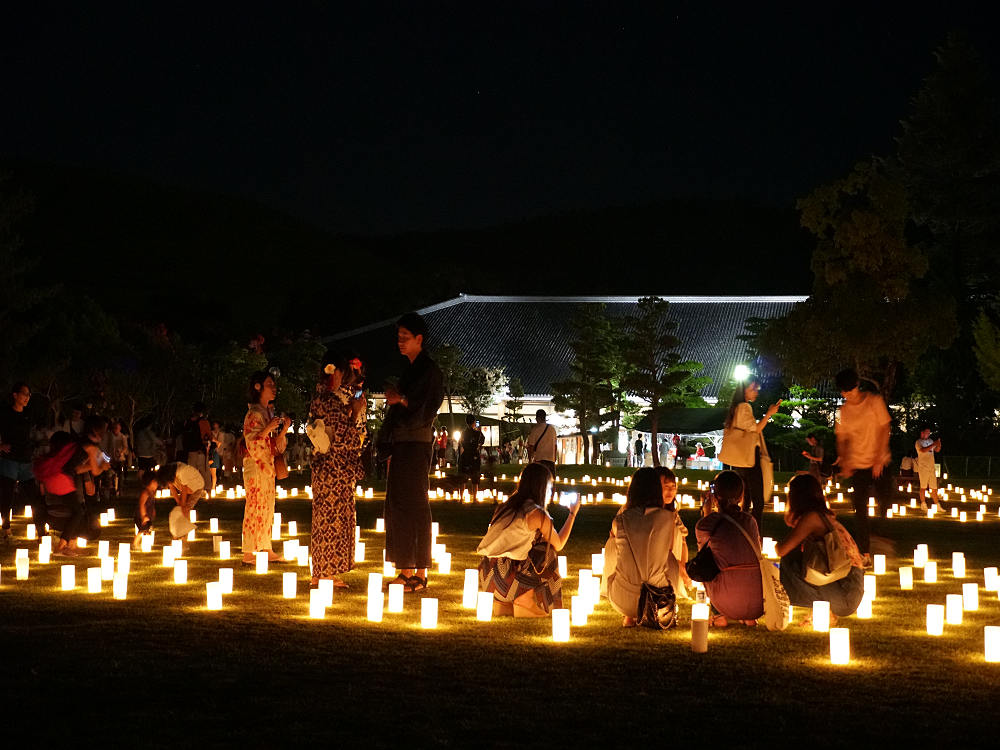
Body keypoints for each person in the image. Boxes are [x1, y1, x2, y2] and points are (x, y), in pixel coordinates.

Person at [383, 312, 444, 593]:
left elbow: (425, 407)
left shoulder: (429, 370)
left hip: (415, 444)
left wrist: (402, 400)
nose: (400, 342)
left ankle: (415, 571)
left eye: (405, 337)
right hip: (404, 443)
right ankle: (409, 568)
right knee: (402, 504)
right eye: (398, 337)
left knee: (413, 503)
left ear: (419, 339)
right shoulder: (411, 370)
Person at [477, 463, 581, 617]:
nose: (551, 492)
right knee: (547, 551)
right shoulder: (536, 513)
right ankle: (525, 601)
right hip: (507, 579)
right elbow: (558, 544)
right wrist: (572, 514)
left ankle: (503, 605)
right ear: (542, 487)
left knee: (536, 544)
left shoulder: (505, 507)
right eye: (550, 487)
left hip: (487, 577)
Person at [309, 355, 366, 589]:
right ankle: (325, 573)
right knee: (330, 521)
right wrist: (355, 412)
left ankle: (322, 572)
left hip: (326, 468)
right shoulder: (330, 401)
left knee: (325, 520)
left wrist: (350, 410)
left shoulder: (320, 399)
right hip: (334, 469)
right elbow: (344, 437)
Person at [776, 475, 864, 624]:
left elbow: (782, 550)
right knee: (802, 558)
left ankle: (822, 608)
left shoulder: (812, 518)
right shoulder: (823, 516)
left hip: (845, 593)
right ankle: (821, 610)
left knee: (789, 559)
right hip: (850, 588)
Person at [602, 467, 685, 626]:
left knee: (612, 544)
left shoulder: (619, 520)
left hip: (622, 599)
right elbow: (667, 553)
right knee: (668, 556)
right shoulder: (668, 519)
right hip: (657, 600)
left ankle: (628, 616)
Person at [833, 368, 890, 567]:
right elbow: (841, 438)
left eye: (848, 390)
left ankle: (880, 534)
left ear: (856, 386)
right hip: (858, 464)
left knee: (886, 499)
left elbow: (885, 428)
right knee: (860, 509)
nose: (845, 395)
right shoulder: (842, 411)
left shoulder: (874, 401)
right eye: (842, 391)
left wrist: (879, 458)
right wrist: (844, 460)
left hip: (879, 462)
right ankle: (864, 552)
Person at [694, 471, 763, 627]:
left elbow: (703, 557)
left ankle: (719, 615)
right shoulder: (750, 521)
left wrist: (707, 512)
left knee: (707, 565)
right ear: (741, 496)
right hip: (757, 602)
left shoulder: (705, 525)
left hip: (725, 600)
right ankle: (748, 617)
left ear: (715, 496)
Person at [241, 371, 288, 564]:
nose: (274, 388)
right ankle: (248, 552)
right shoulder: (253, 413)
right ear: (258, 387)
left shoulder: (267, 412)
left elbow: (274, 444)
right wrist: (268, 428)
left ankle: (266, 547)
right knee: (254, 506)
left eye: (274, 384)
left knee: (267, 507)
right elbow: (252, 441)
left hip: (267, 465)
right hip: (256, 465)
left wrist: (283, 430)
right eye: (270, 384)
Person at [722, 379, 781, 529]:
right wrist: (769, 414)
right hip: (750, 457)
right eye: (753, 388)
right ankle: (754, 533)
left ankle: (743, 530)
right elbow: (755, 429)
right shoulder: (744, 407)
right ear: (744, 390)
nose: (756, 392)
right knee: (757, 500)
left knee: (746, 498)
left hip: (742, 458)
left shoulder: (737, 407)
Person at [33, 431, 85, 555]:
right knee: (79, 511)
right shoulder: (67, 455)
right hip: (62, 485)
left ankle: (57, 541)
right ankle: (63, 544)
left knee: (74, 510)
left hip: (52, 489)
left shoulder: (51, 457)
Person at [0, 382, 35, 542]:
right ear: (15, 395)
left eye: (29, 394)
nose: (27, 397)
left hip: (26, 460)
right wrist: (1, 446)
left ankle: (42, 532)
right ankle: (6, 530)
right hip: (10, 460)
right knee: (7, 496)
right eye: (24, 394)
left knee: (34, 496)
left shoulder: (28, 414)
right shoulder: (5, 414)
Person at [655, 465, 692, 596]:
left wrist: (683, 566)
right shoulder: (650, 515)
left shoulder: (673, 514)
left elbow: (683, 541)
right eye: (666, 486)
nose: (670, 490)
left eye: (673, 486)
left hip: (672, 561)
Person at [914, 426, 942, 508]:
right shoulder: (918, 442)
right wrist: (934, 444)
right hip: (923, 468)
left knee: (934, 488)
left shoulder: (930, 441)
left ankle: (937, 505)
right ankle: (923, 504)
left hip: (931, 467)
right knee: (923, 487)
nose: (928, 434)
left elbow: (936, 450)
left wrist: (938, 445)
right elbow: (923, 450)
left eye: (929, 433)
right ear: (922, 433)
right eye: (927, 432)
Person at [459, 414, 485, 496]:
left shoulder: (463, 433)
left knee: (463, 478)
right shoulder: (478, 433)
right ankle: (474, 498)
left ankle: (461, 498)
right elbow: (482, 441)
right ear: (474, 422)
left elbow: (461, 442)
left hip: (465, 455)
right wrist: (478, 446)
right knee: (475, 478)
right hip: (474, 455)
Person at [526, 409, 556, 477]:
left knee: (540, 481)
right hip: (551, 460)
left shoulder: (535, 430)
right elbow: (555, 445)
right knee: (551, 480)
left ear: (538, 418)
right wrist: (554, 458)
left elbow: (531, 446)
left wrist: (530, 460)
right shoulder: (552, 429)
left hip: (539, 460)